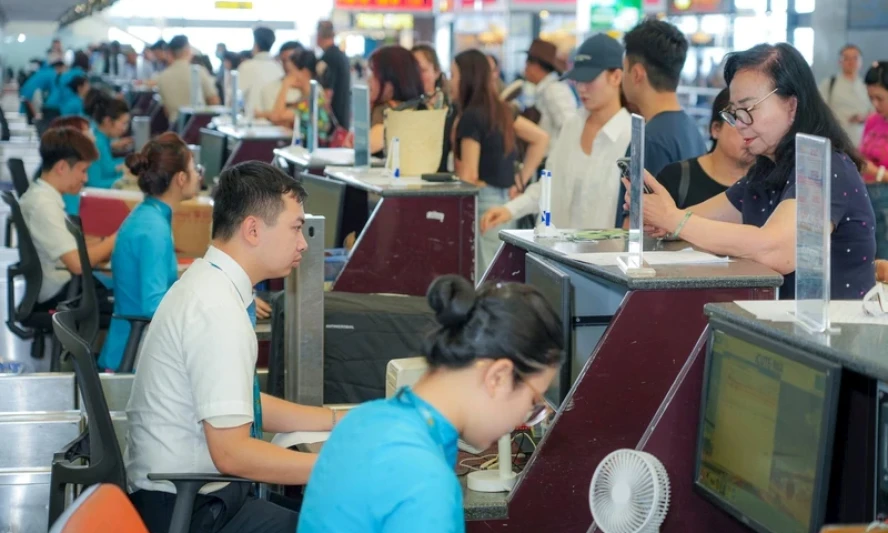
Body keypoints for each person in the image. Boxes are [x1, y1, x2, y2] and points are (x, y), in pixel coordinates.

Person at [126, 161, 340, 533]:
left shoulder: (210, 284)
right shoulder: (216, 309)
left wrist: (337, 421)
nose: (304, 242)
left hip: (189, 500)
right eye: (295, 227)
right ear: (253, 229)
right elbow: (232, 453)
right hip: (192, 512)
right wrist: (340, 466)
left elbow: (240, 406)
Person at [298, 274, 562, 533]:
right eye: (532, 402)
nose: (522, 421)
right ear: (498, 377)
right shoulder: (425, 480)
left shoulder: (365, 418)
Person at [633, 43, 876, 300]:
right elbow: (699, 220)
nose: (739, 124)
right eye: (734, 113)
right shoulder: (766, 170)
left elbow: (778, 250)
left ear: (792, 106)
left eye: (748, 110)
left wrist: (674, 220)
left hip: (835, 334)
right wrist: (659, 215)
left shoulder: (825, 166)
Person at [481, 34, 630, 234]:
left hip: (604, 260)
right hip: (559, 256)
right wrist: (510, 209)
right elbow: (550, 184)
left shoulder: (630, 136)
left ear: (616, 77)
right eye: (578, 80)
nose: (581, 88)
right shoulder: (573, 125)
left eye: (590, 79)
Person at [97, 133, 201, 371]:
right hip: (137, 354)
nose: (198, 175)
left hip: (129, 345)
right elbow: (153, 305)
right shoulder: (154, 229)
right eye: (195, 169)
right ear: (181, 179)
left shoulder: (148, 214)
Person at [452, 49, 548, 270]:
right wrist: (521, 180)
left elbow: (469, 175)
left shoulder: (471, 117)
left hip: (483, 203)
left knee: (482, 275)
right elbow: (540, 138)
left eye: (454, 75)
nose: (450, 81)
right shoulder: (501, 110)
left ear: (467, 78)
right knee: (498, 272)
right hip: (505, 203)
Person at [19, 127, 115, 312]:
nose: (85, 178)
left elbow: (69, 243)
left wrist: (101, 242)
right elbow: (77, 264)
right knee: (128, 305)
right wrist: (116, 238)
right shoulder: (44, 205)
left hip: (60, 286)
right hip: (61, 294)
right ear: (62, 167)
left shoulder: (41, 195)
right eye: (83, 170)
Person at [621, 20, 707, 177]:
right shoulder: (692, 130)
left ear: (636, 74)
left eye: (624, 69)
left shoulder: (649, 141)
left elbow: (634, 202)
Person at [656, 88, 755, 208]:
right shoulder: (676, 178)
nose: (751, 134)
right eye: (741, 121)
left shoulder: (769, 188)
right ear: (716, 129)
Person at [366, 45, 426, 156]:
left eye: (373, 75)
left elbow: (366, 146)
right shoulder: (425, 109)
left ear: (390, 84)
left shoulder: (385, 111)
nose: (368, 81)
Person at [262, 51, 331, 145]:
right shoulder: (308, 97)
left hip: (310, 153)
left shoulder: (312, 100)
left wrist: (285, 86)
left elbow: (276, 116)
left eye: (290, 72)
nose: (287, 77)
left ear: (304, 72)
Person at [523, 39, 577, 152]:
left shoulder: (553, 90)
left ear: (536, 66)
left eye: (527, 64)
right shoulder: (545, 89)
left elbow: (569, 127)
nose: (525, 69)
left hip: (551, 163)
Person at [156, 35, 220, 122]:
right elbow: (214, 101)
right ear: (187, 50)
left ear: (170, 53)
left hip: (175, 129)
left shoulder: (162, 76)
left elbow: (166, 112)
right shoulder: (199, 71)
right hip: (198, 127)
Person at [819, 44, 871, 146]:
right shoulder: (829, 84)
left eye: (855, 58)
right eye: (846, 58)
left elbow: (876, 113)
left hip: (863, 142)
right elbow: (820, 110)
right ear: (840, 61)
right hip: (837, 141)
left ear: (861, 62)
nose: (851, 62)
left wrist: (864, 118)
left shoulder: (867, 87)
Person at [239, 27, 285, 115]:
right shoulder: (279, 67)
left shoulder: (246, 66)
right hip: (273, 120)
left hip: (251, 120)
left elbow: (236, 98)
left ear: (255, 44)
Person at [316, 20, 351, 129]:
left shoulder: (328, 57)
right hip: (343, 114)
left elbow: (327, 92)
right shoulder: (341, 55)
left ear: (319, 36)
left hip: (333, 120)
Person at [255, 41, 305, 115]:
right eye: (284, 61)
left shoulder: (314, 88)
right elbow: (275, 119)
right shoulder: (269, 89)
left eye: (293, 60)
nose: (288, 65)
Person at [860, 61, 888, 182]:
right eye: (871, 98)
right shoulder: (872, 120)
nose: (874, 104)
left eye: (880, 98)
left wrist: (877, 173)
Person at [412, 43, 448, 109]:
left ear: (436, 72)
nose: (417, 76)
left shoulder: (449, 105)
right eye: (413, 71)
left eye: (422, 70)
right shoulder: (403, 107)